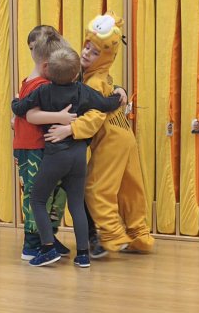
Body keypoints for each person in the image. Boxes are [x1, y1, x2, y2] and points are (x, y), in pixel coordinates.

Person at [43, 13, 154, 255]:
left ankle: (113, 236)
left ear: (105, 57)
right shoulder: (100, 76)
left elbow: (95, 116)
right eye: (86, 47)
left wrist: (69, 129)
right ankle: (140, 236)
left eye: (94, 52)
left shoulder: (93, 82)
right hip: (124, 136)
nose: (86, 54)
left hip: (111, 140)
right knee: (130, 190)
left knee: (95, 188)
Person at [11, 43, 123, 268]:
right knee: (77, 204)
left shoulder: (43, 91)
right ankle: (82, 255)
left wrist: (15, 101)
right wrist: (119, 93)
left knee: (37, 199)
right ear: (75, 74)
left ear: (48, 72)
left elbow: (21, 108)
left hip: (56, 155)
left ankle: (47, 248)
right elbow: (106, 103)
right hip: (78, 155)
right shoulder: (82, 90)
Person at [12, 25, 70, 261]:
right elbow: (31, 115)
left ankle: (48, 236)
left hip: (35, 146)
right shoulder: (40, 85)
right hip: (32, 147)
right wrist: (61, 118)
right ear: (47, 66)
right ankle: (32, 243)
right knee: (37, 194)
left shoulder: (34, 81)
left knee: (54, 192)